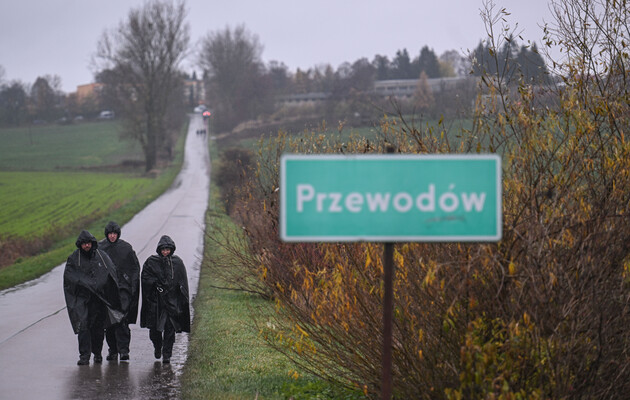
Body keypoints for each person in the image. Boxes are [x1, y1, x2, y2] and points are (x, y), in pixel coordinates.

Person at [63, 230, 130, 365]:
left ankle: (97, 353)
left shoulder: (101, 256)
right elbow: (70, 279)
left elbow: (111, 273)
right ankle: (84, 355)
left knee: (97, 329)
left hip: (99, 299)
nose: (86, 246)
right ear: (80, 245)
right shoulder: (74, 259)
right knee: (83, 326)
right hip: (82, 299)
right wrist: (83, 286)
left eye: (88, 243)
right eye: (84, 244)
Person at [140, 235, 190, 363]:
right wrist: (155, 284)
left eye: (168, 249)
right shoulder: (151, 262)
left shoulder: (177, 263)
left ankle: (167, 354)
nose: (165, 252)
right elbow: (145, 278)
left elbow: (182, 283)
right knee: (154, 331)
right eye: (163, 250)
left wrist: (181, 301)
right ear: (159, 250)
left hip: (171, 302)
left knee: (170, 329)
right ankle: (158, 346)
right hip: (156, 303)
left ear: (171, 249)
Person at [99, 221, 140, 362]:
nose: (112, 236)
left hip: (123, 290)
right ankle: (113, 350)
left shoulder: (126, 248)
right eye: (110, 234)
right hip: (106, 291)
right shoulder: (100, 248)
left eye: (114, 233)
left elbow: (134, 268)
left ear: (118, 234)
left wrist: (131, 285)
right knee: (109, 322)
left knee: (122, 320)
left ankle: (124, 351)